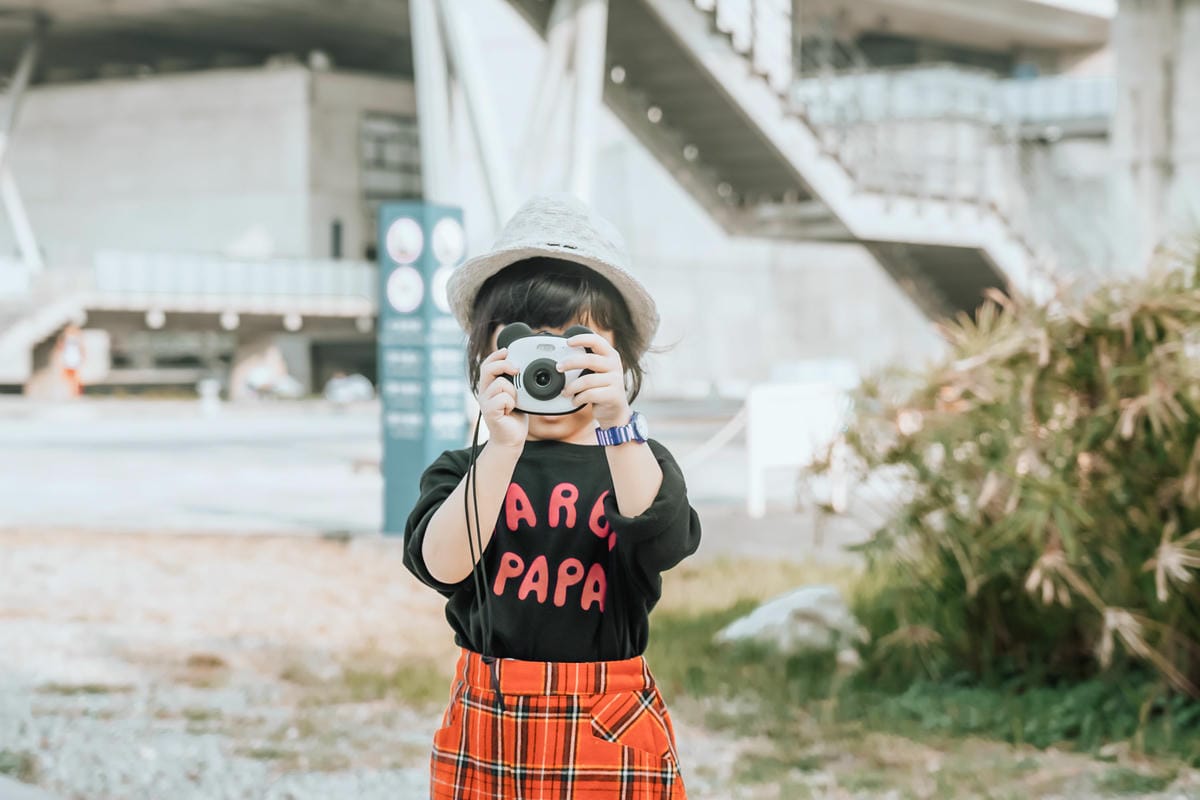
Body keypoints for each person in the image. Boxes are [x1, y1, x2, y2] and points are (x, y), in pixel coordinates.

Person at [404, 194, 701, 799]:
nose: (550, 366)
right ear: (486, 355)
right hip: (487, 717)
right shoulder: (466, 470)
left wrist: (618, 422)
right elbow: (441, 565)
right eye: (524, 342)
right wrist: (501, 447)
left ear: (618, 358)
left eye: (576, 343)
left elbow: (665, 540)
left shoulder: (634, 462)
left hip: (608, 717)